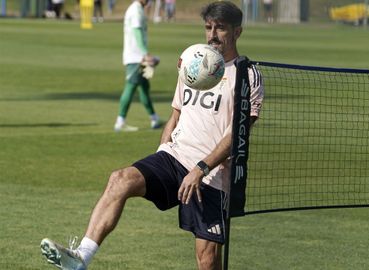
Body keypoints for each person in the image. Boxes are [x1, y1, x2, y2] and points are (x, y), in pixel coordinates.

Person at [40, 1, 264, 270]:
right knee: (120, 179)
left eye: (221, 28)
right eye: (208, 27)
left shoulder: (247, 75)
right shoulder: (194, 62)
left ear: (237, 32)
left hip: (212, 175)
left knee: (207, 261)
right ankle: (81, 258)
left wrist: (201, 169)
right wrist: (162, 152)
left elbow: (238, 136)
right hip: (174, 157)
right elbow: (175, 115)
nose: (212, 34)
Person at [114, 0, 161, 132]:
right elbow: (137, 33)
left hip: (139, 56)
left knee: (144, 87)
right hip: (136, 57)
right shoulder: (135, 10)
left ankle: (154, 118)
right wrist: (145, 54)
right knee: (131, 85)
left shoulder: (138, 9)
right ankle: (120, 121)